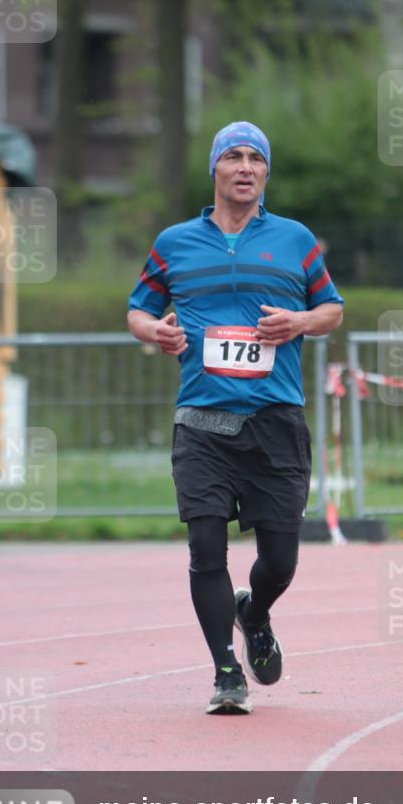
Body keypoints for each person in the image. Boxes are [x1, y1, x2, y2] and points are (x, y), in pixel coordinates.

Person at [127, 121, 344, 715]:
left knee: (280, 560)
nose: (245, 167)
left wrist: (298, 322)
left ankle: (255, 612)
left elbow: (331, 309)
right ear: (216, 169)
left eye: (256, 159)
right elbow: (138, 311)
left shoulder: (295, 239)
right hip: (202, 421)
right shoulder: (174, 243)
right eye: (234, 157)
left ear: (266, 173)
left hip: (274, 420)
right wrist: (158, 331)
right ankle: (226, 672)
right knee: (205, 547)